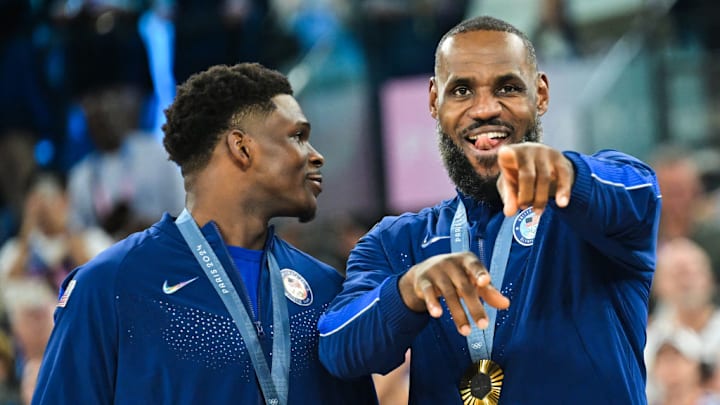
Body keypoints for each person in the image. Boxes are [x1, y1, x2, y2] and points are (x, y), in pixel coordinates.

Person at [318, 15, 661, 404]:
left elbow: (637, 195)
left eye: (508, 88)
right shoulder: (397, 243)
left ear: (541, 94)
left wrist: (569, 174)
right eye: (461, 90)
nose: (484, 109)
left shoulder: (591, 214)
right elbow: (337, 348)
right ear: (434, 100)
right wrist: (410, 291)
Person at [31, 63, 377, 404]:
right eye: (297, 137)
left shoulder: (324, 288)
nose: (316, 156)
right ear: (242, 148)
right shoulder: (111, 285)